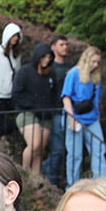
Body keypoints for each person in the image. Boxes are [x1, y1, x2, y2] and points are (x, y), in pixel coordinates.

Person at [62, 45, 106, 184]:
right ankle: (72, 185)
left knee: (99, 150)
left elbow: (96, 99)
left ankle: (102, 184)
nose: (95, 65)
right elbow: (66, 97)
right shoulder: (74, 73)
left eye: (98, 62)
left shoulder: (96, 77)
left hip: (91, 118)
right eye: (93, 61)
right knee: (75, 155)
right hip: (75, 117)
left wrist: (97, 114)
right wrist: (71, 118)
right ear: (86, 60)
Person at [13, 42, 57, 175]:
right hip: (27, 112)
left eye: (49, 57)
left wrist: (52, 109)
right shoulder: (25, 71)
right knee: (34, 144)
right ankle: (25, 174)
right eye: (44, 57)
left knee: (39, 150)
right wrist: (32, 105)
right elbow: (16, 93)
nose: (46, 60)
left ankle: (36, 177)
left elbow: (55, 95)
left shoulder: (51, 74)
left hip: (46, 115)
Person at [41, 35, 74, 188]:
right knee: (58, 149)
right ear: (53, 47)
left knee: (69, 150)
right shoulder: (50, 68)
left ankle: (52, 173)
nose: (65, 47)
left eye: (66, 44)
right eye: (61, 44)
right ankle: (50, 177)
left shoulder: (71, 67)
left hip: (71, 113)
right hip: (55, 113)